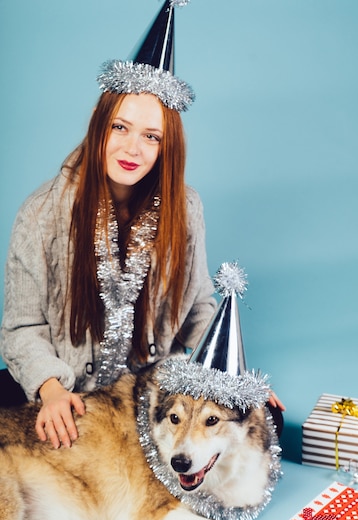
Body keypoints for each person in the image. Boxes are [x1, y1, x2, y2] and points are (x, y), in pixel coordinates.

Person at [0, 1, 217, 448]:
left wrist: (230, 374)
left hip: (146, 393)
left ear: (166, 146)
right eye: (120, 127)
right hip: (68, 393)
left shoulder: (186, 208)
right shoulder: (41, 212)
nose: (132, 148)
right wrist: (51, 389)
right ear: (100, 127)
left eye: (151, 136)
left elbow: (198, 308)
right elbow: (22, 328)